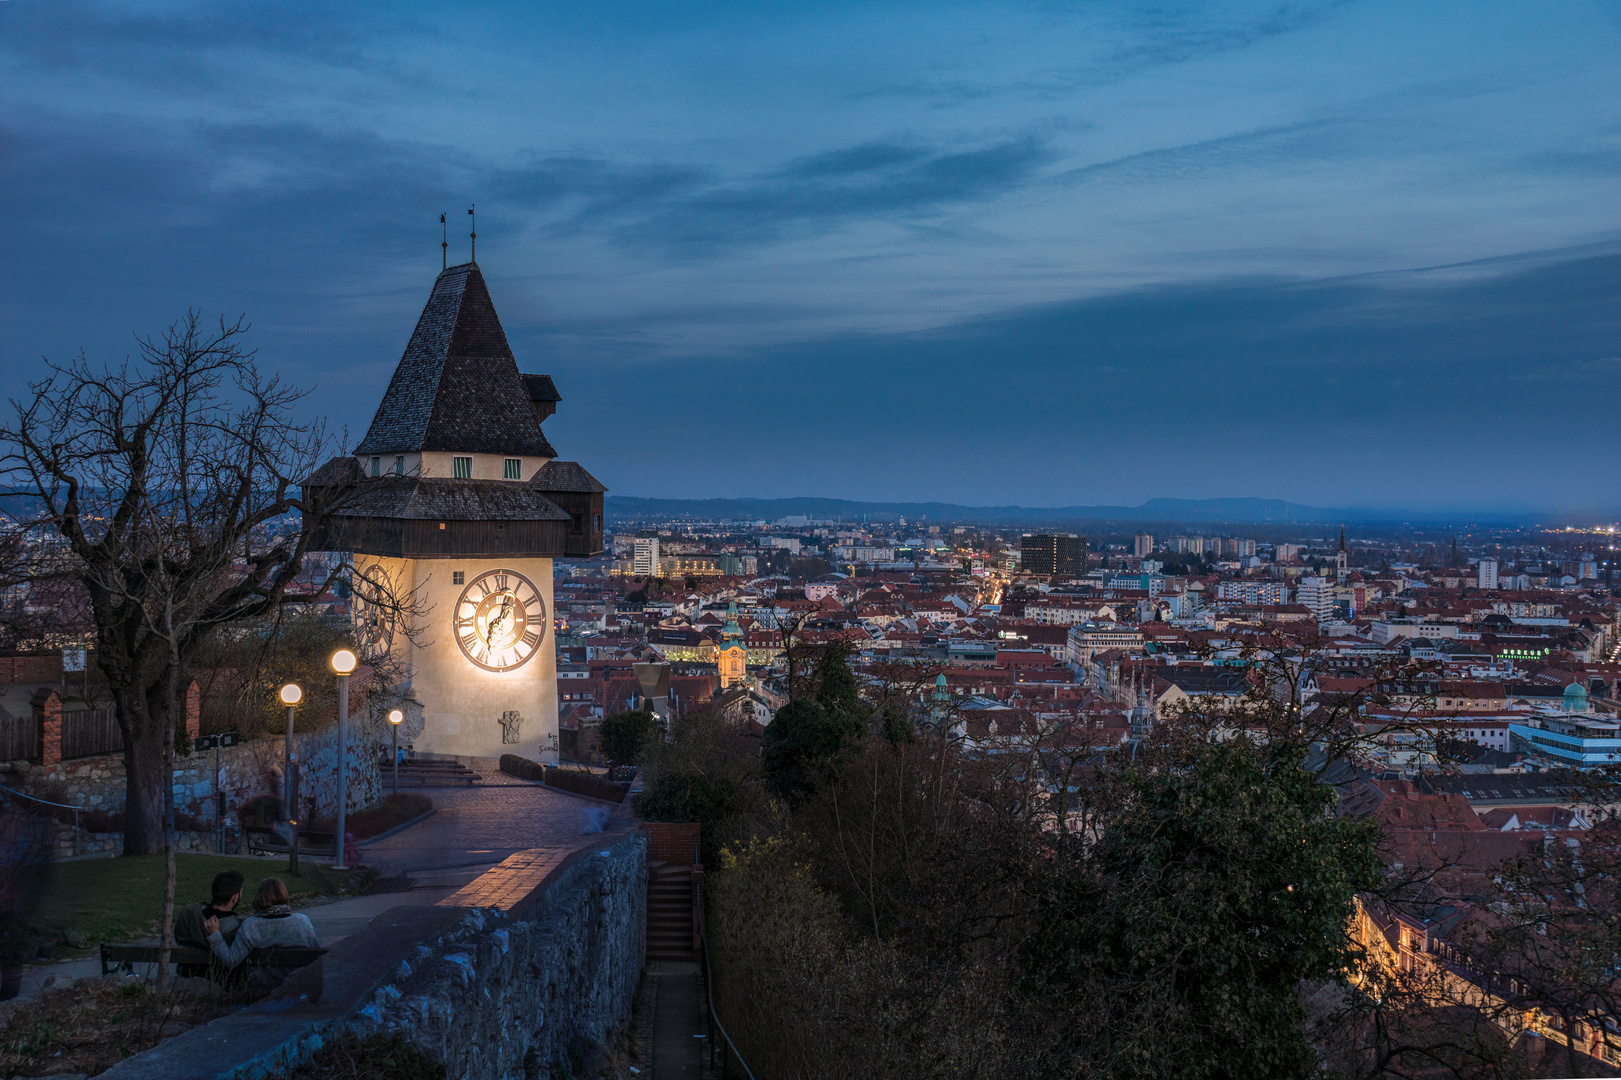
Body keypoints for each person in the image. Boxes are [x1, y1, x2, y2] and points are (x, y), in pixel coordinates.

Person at [203, 876, 319, 988]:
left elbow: (231, 961)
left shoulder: (250, 926)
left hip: (260, 987)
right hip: (296, 984)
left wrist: (215, 935)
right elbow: (316, 956)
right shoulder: (302, 922)